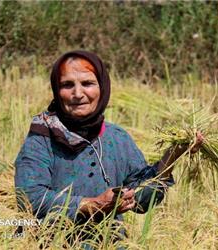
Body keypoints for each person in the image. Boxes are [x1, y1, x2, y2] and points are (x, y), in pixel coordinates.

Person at [14, 50, 203, 245]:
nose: (77, 94)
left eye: (87, 84)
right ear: (56, 90)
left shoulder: (116, 138)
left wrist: (173, 156)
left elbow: (142, 200)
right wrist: (91, 205)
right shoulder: (42, 137)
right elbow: (29, 198)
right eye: (67, 85)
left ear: (102, 88)